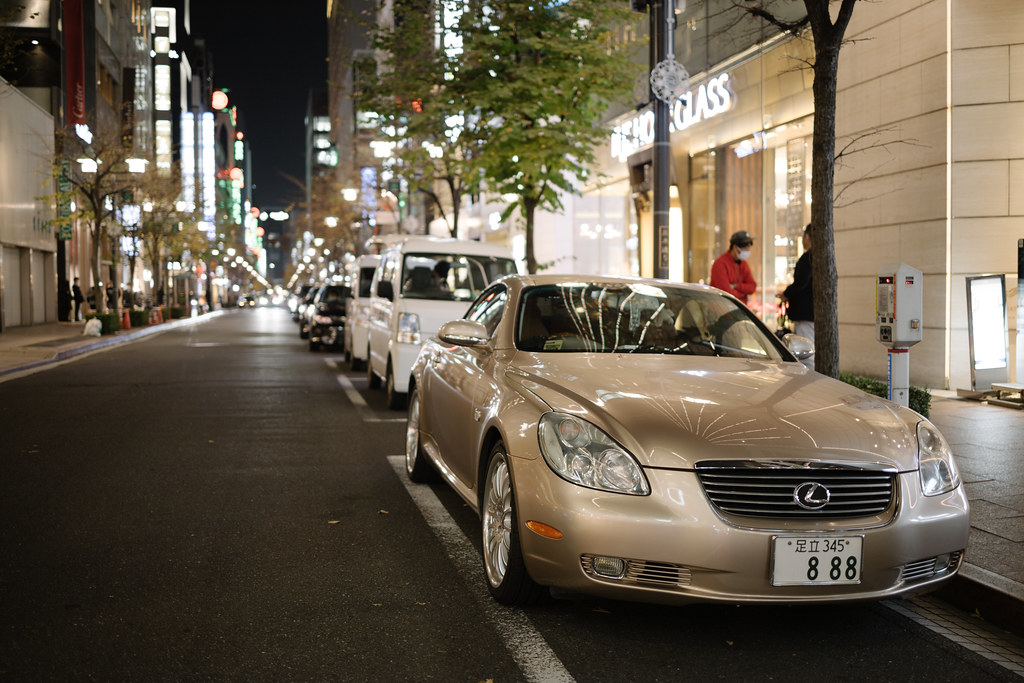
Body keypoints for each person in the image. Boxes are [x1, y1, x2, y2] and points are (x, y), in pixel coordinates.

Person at [780, 224, 814, 343]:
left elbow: (801, 282)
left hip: (805, 314)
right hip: (813, 314)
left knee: (806, 351)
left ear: (807, 237)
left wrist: (786, 293)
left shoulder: (807, 258)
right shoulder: (819, 257)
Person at [710, 230, 757, 304]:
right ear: (735, 247)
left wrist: (736, 286)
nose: (748, 251)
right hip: (721, 308)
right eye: (745, 248)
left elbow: (752, 287)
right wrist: (742, 294)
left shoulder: (743, 264)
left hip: (739, 309)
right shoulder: (720, 264)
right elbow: (726, 293)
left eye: (749, 248)